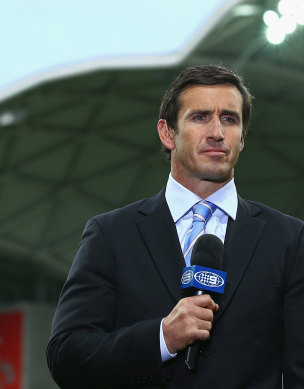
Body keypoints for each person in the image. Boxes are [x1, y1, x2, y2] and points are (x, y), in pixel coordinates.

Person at [46, 64, 304, 388]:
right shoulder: (110, 235)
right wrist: (162, 338)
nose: (217, 132)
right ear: (168, 133)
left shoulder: (290, 240)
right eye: (200, 117)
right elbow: (66, 356)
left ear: (242, 137)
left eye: (229, 119)